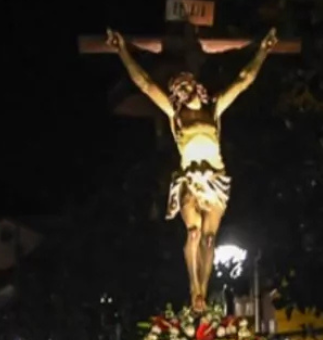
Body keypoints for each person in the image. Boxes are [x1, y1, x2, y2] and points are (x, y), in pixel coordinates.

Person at [107, 26, 278, 310]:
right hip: (189, 178)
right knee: (195, 233)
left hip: (216, 179)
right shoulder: (176, 117)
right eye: (175, 90)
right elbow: (146, 84)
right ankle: (194, 289)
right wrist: (122, 50)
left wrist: (263, 51)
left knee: (210, 239)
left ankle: (204, 289)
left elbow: (244, 80)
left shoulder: (214, 110)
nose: (179, 91)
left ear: (193, 84)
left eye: (183, 85)